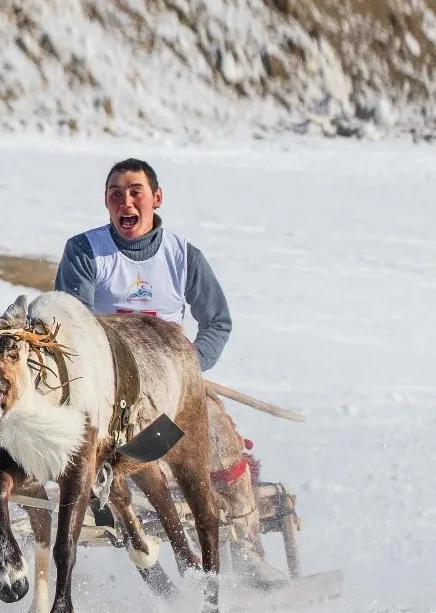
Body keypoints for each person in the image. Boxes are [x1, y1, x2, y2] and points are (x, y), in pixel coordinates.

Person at [56, 158, 286, 587]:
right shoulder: (86, 251)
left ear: (156, 198)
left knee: (221, 439)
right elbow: (75, 321)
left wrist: (189, 369)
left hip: (172, 384)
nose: (126, 201)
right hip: (108, 385)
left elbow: (217, 321)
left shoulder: (183, 256)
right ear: (106, 204)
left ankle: (248, 545)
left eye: (135, 191)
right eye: (115, 193)